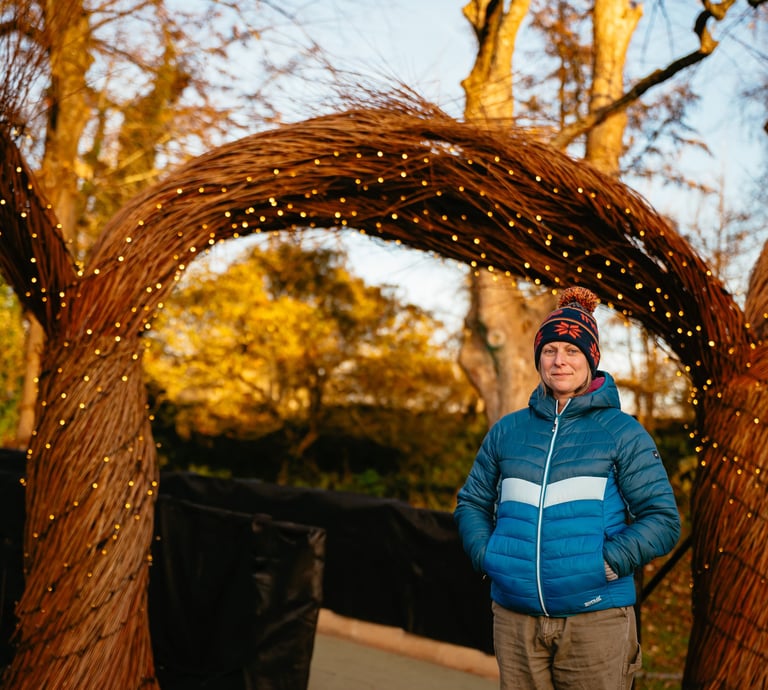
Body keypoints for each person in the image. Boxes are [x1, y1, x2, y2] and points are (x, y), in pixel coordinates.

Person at [454, 286, 681, 690]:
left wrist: (604, 565)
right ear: (538, 357)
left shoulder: (622, 433)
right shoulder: (508, 430)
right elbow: (471, 502)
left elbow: (662, 520)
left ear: (591, 359)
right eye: (550, 350)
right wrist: (489, 557)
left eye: (572, 351)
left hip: (595, 618)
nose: (560, 361)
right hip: (515, 619)